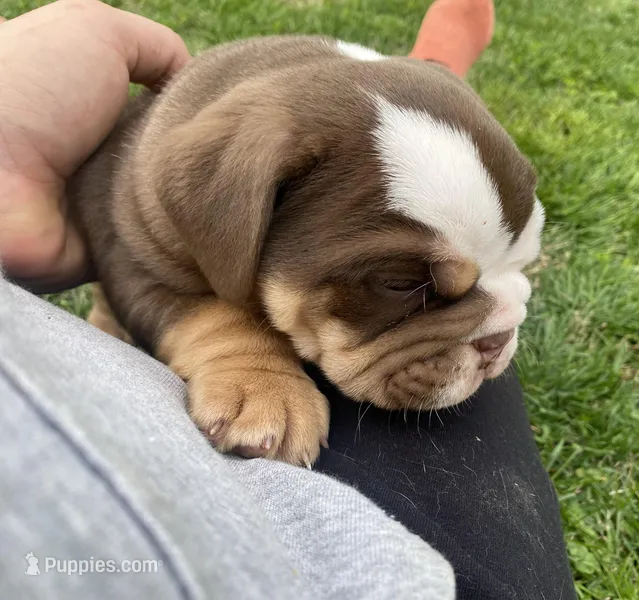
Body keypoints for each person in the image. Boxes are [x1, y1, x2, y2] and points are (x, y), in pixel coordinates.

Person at [0, 1, 577, 598]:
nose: (496, 333)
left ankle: (427, 77)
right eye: (407, 285)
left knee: (419, 122)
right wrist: (236, 353)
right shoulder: (189, 182)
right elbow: (140, 276)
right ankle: (430, 68)